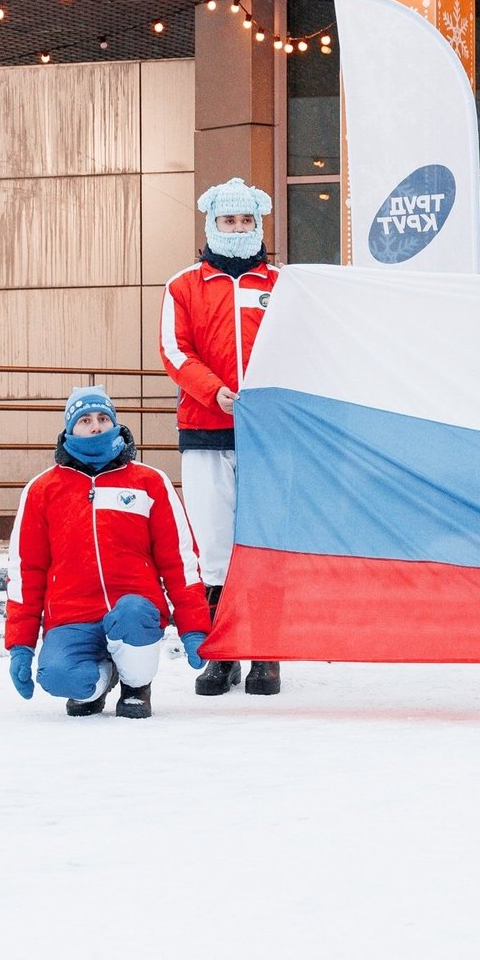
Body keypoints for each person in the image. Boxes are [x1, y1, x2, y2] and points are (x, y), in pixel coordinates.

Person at [5, 387, 212, 719]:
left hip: (134, 614)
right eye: (85, 420)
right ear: (69, 429)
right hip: (72, 617)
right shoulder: (42, 490)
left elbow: (180, 561)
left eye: (103, 418)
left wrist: (194, 628)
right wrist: (21, 645)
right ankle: (104, 678)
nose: (96, 426)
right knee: (57, 676)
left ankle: (135, 686)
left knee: (131, 611)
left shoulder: (149, 482)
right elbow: (26, 572)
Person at [159, 177, 281, 696]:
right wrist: (215, 393)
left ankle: (267, 653)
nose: (237, 229)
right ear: (211, 223)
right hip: (207, 430)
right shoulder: (183, 286)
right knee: (214, 544)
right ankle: (222, 654)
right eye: (228, 221)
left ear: (258, 223)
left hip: (271, 439)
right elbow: (175, 351)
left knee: (266, 540)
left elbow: (304, 348)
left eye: (246, 221)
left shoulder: (281, 286)